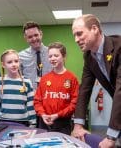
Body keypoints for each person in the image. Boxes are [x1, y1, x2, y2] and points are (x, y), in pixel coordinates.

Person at [71, 14, 121, 148]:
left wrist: (111, 136)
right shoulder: (89, 56)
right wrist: (78, 125)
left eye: (79, 34)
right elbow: (84, 90)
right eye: (74, 35)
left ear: (94, 29)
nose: (76, 39)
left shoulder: (119, 47)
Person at [34, 42, 79, 135]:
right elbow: (37, 101)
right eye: (50, 56)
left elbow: (74, 103)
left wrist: (58, 115)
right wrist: (42, 114)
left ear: (64, 56)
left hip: (63, 123)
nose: (53, 58)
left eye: (56, 55)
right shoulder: (44, 79)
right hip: (44, 122)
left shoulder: (72, 78)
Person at [0, 49, 36, 127]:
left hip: (23, 122)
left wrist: (33, 122)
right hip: (3, 121)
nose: (14, 64)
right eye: (9, 62)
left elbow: (30, 105)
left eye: (16, 61)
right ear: (3, 65)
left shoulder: (27, 82)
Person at [18, 21, 52, 91]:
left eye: (36, 35)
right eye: (30, 37)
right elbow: (19, 79)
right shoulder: (20, 56)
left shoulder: (52, 53)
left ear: (41, 34)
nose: (34, 39)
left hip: (50, 94)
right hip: (30, 96)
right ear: (26, 38)